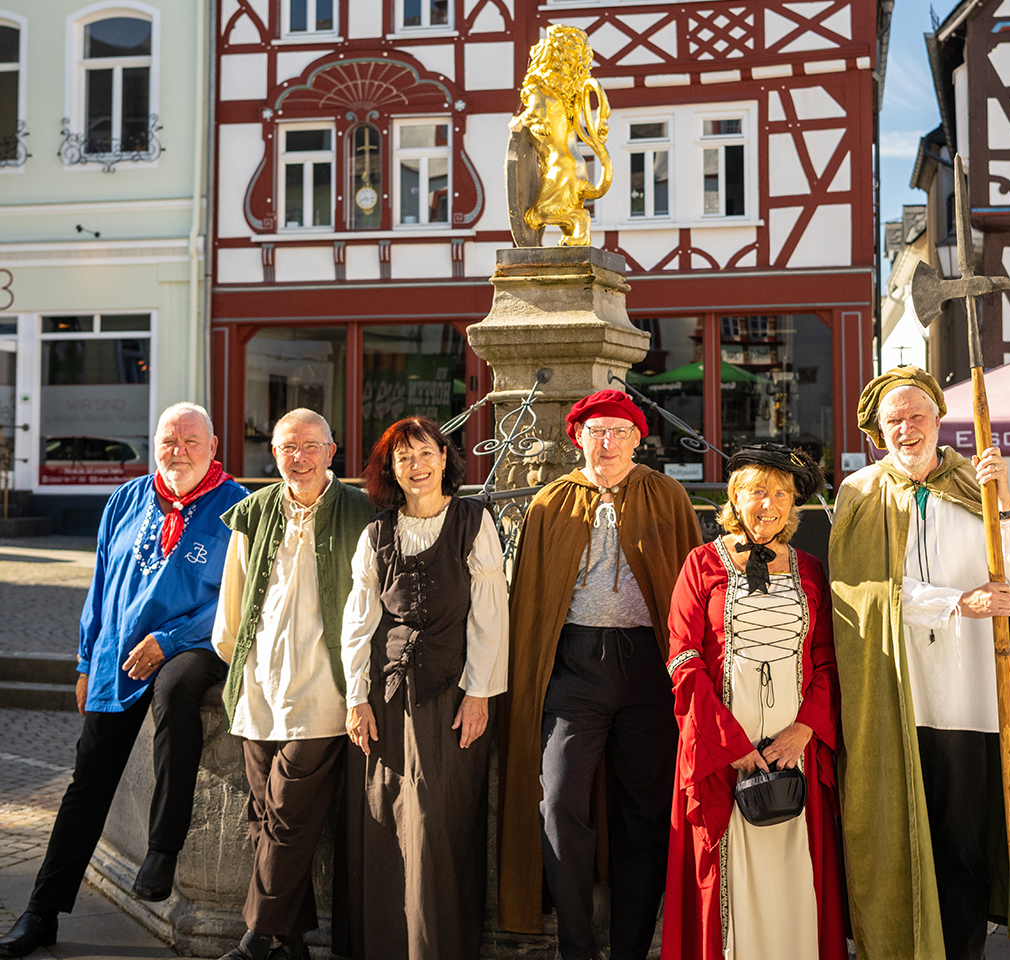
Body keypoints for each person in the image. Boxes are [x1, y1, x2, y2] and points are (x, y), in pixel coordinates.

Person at [829, 366, 1010, 960]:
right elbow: (863, 593)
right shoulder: (859, 493)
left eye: (915, 416)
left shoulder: (975, 481)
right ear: (877, 432)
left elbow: (1009, 573)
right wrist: (956, 602)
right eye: (892, 422)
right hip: (899, 691)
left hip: (973, 693)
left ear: (938, 417)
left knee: (963, 841)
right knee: (899, 833)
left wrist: (1005, 501)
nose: (905, 429)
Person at [0, 403, 247, 959]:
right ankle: (41, 912)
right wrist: (87, 660)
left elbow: (237, 598)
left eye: (190, 440)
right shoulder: (126, 500)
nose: (177, 450)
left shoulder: (236, 508)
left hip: (191, 646)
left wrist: (172, 638)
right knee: (87, 782)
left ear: (213, 447)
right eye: (167, 440)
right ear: (154, 444)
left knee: (178, 693)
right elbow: (102, 586)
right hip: (119, 653)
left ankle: (161, 850)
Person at [497, 388, 702, 960]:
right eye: (596, 432)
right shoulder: (551, 503)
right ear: (577, 438)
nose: (606, 442)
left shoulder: (667, 496)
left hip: (649, 669)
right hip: (573, 668)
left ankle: (631, 950)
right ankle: (578, 949)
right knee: (559, 800)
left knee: (646, 811)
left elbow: (688, 592)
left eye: (618, 431)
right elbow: (531, 601)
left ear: (638, 438)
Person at [333, 416, 508, 960]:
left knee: (436, 817)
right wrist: (356, 698)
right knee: (384, 817)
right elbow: (358, 619)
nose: (417, 466)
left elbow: (491, 614)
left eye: (426, 453)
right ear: (390, 469)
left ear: (444, 458)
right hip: (385, 699)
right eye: (404, 457)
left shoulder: (472, 521)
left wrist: (479, 692)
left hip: (451, 695)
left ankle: (435, 947)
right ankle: (385, 945)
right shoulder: (378, 532)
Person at [662, 444, 847, 960]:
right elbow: (683, 659)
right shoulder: (701, 565)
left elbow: (830, 659)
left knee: (795, 869)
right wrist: (729, 744)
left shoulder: (811, 569)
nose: (768, 504)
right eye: (757, 492)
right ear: (735, 498)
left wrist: (805, 730)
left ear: (793, 506)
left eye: (781, 494)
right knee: (728, 874)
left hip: (796, 753)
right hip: (724, 754)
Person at [211, 408, 373, 960]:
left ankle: (256, 939)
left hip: (324, 690)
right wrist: (237, 667)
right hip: (258, 689)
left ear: (332, 451)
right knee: (265, 818)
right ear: (273, 454)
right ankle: (292, 941)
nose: (297, 457)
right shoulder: (253, 513)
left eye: (309, 446)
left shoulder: (363, 510)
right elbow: (232, 605)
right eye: (286, 448)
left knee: (286, 813)